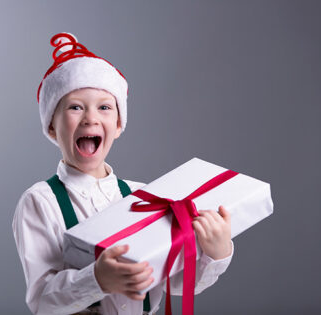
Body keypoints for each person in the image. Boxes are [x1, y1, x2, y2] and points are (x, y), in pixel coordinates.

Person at [12, 32, 234, 315]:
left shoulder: (144, 196)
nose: (91, 118)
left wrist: (215, 252)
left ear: (118, 125)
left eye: (104, 107)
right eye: (75, 107)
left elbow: (175, 280)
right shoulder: (40, 201)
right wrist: (97, 279)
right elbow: (43, 301)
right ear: (52, 128)